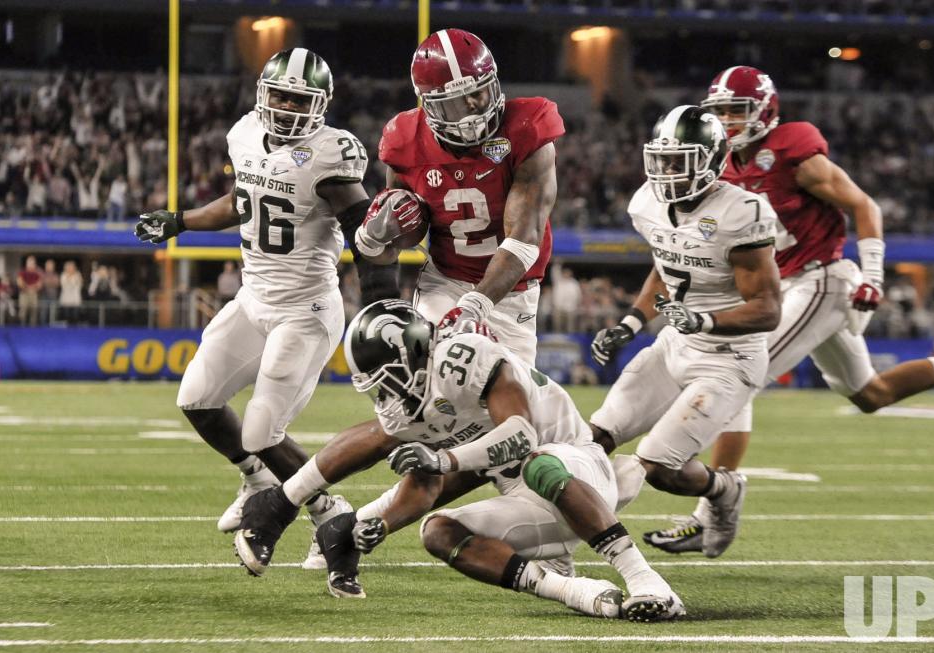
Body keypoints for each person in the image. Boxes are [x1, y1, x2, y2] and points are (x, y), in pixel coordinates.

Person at [642, 66, 934, 555]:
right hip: (790, 286)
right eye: (721, 114)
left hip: (820, 279)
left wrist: (875, 273)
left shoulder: (792, 149)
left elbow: (865, 206)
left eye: (738, 113)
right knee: (871, 393)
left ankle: (710, 510)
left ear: (765, 111)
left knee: (733, 371)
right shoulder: (720, 165)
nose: (730, 124)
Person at [234, 300, 684, 622]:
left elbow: (521, 435)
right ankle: (573, 591)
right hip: (525, 500)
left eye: (389, 382)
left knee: (539, 463)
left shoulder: (460, 356)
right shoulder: (417, 401)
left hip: (581, 474)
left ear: (411, 353)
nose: (386, 396)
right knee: (438, 531)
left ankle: (645, 580)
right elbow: (421, 480)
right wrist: (384, 523)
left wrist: (445, 458)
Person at [135, 48, 396, 568]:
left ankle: (327, 510)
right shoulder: (246, 134)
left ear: (320, 104)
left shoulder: (331, 156)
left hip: (305, 309)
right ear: (263, 93)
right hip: (253, 298)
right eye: (279, 94)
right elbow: (241, 201)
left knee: (260, 432)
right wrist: (180, 219)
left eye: (299, 99)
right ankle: (257, 481)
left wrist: (380, 306)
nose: (286, 107)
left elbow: (366, 236)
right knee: (197, 398)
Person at [589, 105, 781, 559]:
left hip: (727, 358)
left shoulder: (741, 211)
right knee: (594, 439)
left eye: (681, 161)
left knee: (659, 467)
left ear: (714, 160)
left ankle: (723, 488)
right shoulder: (647, 203)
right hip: (674, 344)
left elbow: (768, 309)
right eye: (662, 160)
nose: (668, 172)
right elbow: (667, 268)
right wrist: (631, 323)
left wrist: (705, 320)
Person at [354, 28, 564, 365]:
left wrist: (474, 307)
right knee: (428, 391)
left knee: (509, 404)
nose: (474, 107)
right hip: (445, 284)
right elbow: (404, 239)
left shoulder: (527, 127)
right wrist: (374, 239)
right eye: (455, 103)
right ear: (431, 106)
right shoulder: (405, 140)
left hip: (512, 293)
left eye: (480, 93)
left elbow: (525, 240)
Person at [16, 255, 43, 326]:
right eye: (29, 263)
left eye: (32, 263)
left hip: (34, 294)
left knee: (34, 310)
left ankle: (32, 327)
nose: (31, 264)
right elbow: (19, 282)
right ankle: (22, 325)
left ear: (35, 264)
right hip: (24, 294)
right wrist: (27, 287)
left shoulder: (37, 273)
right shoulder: (22, 272)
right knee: (23, 310)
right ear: (27, 263)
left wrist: (33, 288)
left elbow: (40, 284)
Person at [59, 260, 83, 324]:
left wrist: (72, 278)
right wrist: (69, 277)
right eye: (68, 267)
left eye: (71, 267)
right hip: (66, 299)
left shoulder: (78, 275)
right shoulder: (63, 275)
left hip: (75, 299)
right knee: (66, 315)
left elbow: (79, 284)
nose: (70, 268)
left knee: (75, 315)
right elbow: (64, 285)